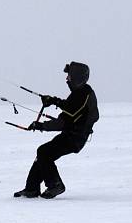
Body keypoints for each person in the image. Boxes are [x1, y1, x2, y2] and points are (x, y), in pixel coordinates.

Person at [14, 61, 99, 199]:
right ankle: (31, 189)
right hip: (71, 135)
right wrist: (53, 100)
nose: (67, 79)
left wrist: (41, 125)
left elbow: (63, 121)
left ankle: (55, 185)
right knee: (43, 152)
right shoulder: (82, 92)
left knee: (44, 152)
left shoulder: (83, 94)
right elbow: (69, 109)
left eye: (69, 76)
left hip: (75, 138)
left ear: (77, 77)